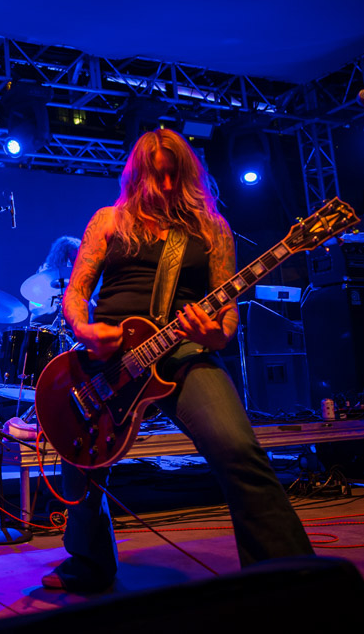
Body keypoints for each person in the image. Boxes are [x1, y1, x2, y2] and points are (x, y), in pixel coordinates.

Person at [44, 128, 313, 592]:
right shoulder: (108, 221)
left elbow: (226, 322)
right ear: (139, 176)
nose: (167, 187)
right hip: (107, 363)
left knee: (237, 449)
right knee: (81, 459)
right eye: (158, 177)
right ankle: (88, 563)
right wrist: (87, 331)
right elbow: (76, 294)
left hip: (183, 353)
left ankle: (287, 578)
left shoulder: (212, 229)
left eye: (175, 177)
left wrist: (213, 332)